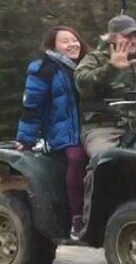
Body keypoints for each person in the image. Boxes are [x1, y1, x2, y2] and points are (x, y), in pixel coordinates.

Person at [15, 26, 90, 238]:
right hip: (62, 131)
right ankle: (77, 217)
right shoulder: (44, 70)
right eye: (65, 41)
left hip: (91, 128)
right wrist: (25, 139)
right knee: (77, 159)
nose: (73, 44)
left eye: (75, 40)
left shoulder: (89, 67)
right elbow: (32, 106)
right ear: (53, 46)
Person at [75, 14, 136, 159]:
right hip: (105, 128)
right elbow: (82, 83)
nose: (133, 40)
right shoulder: (94, 59)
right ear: (112, 38)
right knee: (104, 160)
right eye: (127, 36)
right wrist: (111, 68)